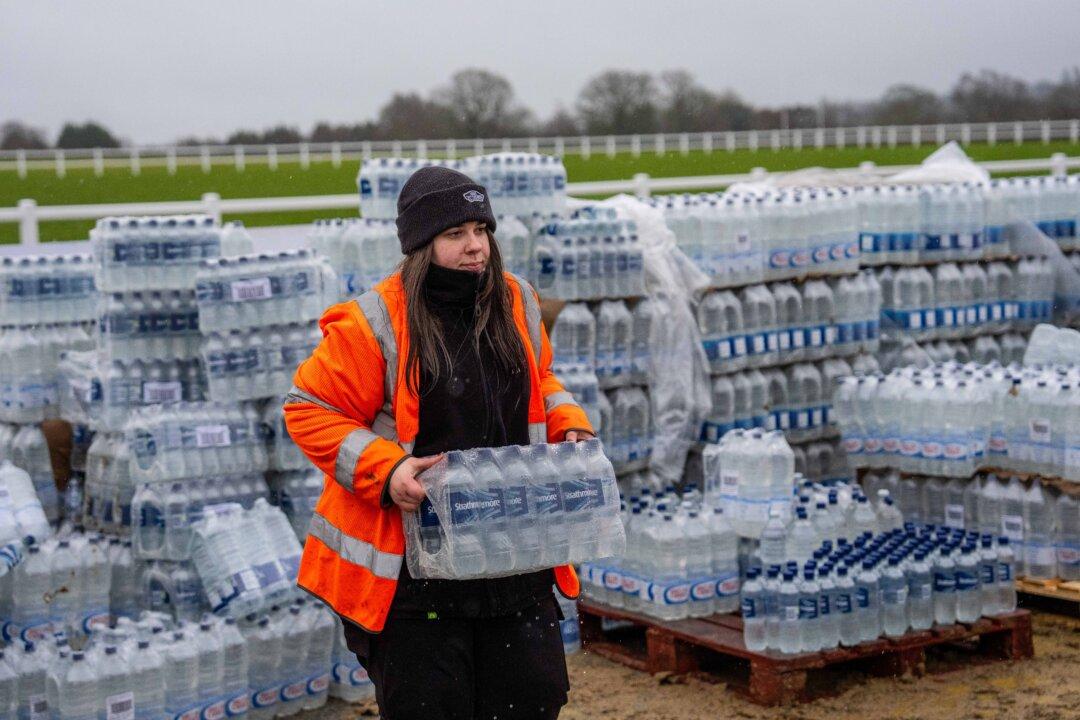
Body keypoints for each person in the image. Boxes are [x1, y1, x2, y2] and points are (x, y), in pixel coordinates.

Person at [284, 166, 595, 720]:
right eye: (455, 234)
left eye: (481, 229)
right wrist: (387, 470)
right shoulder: (372, 323)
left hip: (512, 555)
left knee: (532, 699)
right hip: (416, 579)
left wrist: (567, 422)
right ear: (421, 245)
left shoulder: (516, 299)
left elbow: (541, 381)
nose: (475, 247)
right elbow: (309, 410)